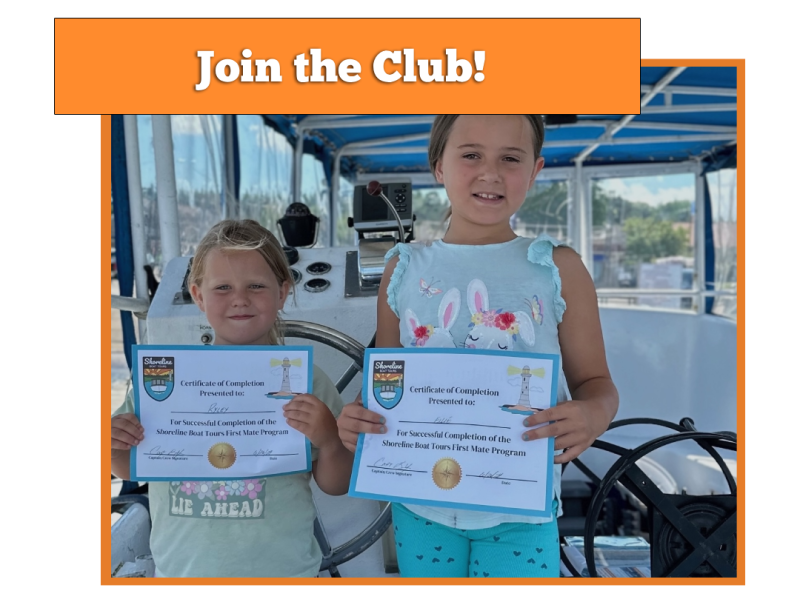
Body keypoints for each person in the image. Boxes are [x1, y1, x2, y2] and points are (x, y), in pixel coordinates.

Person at [337, 115, 619, 578]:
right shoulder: (402, 268)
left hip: (521, 511)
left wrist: (591, 416)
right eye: (471, 155)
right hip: (418, 506)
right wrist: (358, 416)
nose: (490, 173)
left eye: (510, 158)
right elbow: (383, 384)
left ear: (534, 170)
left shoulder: (558, 268)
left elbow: (597, 383)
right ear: (438, 166)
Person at [111, 219, 353, 578]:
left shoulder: (308, 382)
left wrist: (330, 441)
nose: (240, 298)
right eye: (222, 287)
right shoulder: (161, 382)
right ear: (198, 296)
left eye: (256, 285)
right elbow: (128, 467)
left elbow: (337, 485)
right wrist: (114, 441)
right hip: (182, 572)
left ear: (283, 292)